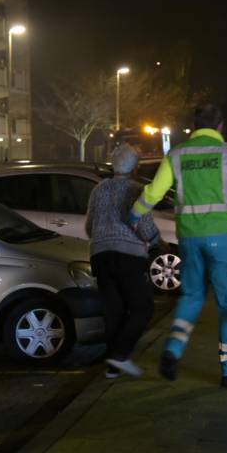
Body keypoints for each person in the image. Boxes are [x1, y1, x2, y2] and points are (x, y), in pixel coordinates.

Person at [128, 104, 227, 388]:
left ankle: (172, 349)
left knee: (192, 297)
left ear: (195, 126)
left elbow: (154, 192)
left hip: (189, 238)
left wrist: (134, 214)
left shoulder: (178, 154)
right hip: (224, 241)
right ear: (220, 126)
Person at [85, 144, 161, 378]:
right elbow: (144, 225)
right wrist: (156, 240)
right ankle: (119, 355)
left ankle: (112, 366)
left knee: (114, 310)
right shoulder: (137, 190)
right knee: (143, 307)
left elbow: (89, 226)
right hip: (128, 256)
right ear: (135, 166)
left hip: (100, 254)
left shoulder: (98, 189)